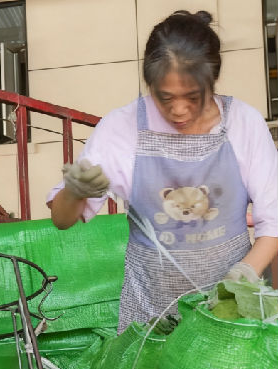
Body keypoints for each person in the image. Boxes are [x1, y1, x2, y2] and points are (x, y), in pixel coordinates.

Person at [48, 10, 278, 332]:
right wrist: (76, 189)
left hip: (230, 312)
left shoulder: (244, 123)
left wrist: (243, 275)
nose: (178, 110)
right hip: (150, 314)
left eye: (192, 97)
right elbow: (62, 219)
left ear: (212, 80)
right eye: (164, 97)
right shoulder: (122, 127)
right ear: (149, 84)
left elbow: (273, 222)